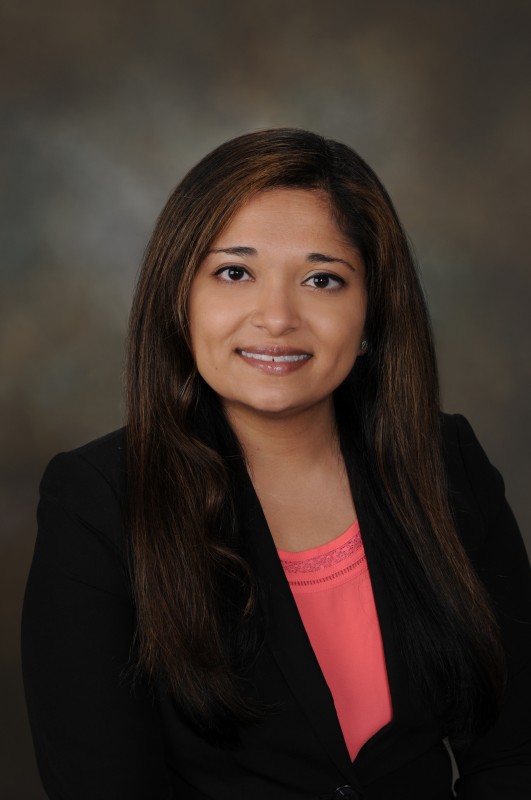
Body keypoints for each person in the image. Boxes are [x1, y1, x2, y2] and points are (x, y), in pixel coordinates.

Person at [22, 128, 531, 800]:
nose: (277, 317)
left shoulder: (444, 462)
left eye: (322, 279)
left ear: (372, 310)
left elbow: (514, 752)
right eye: (234, 272)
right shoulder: (98, 502)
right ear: (180, 297)